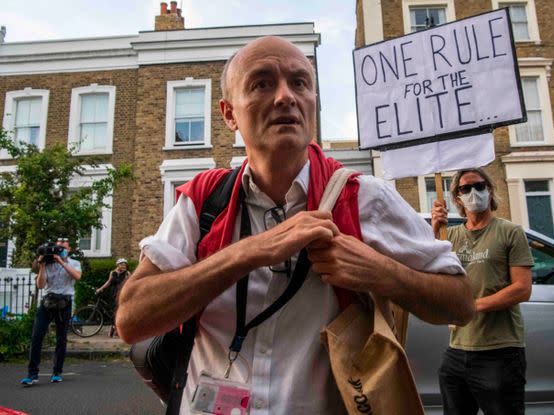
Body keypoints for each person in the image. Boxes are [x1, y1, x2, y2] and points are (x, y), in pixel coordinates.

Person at [117, 36, 475, 414]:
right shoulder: (203, 201)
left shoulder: (365, 197)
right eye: (262, 83)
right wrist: (247, 253)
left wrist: (378, 271)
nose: (286, 96)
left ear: (312, 103)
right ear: (229, 114)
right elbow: (131, 320)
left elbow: (460, 302)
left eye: (300, 83)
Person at [431, 168, 534, 415]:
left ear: (489, 189)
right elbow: (428, 275)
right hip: (457, 350)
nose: (473, 192)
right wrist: (434, 230)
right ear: (457, 198)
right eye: (465, 189)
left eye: (479, 186)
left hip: (499, 352)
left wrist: (473, 306)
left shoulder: (510, 232)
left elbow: (522, 288)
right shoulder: (450, 236)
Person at [20, 238, 82, 386]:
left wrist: (61, 262)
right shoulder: (48, 263)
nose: (59, 250)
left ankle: (57, 372)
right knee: (36, 336)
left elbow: (77, 276)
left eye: (62, 248)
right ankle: (32, 374)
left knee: (61, 339)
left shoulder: (74, 263)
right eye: (57, 247)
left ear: (69, 249)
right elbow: (41, 285)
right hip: (48, 302)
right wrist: (41, 266)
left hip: (65, 303)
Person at [96, 258, 129, 337]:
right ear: (118, 265)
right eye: (122, 264)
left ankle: (115, 329)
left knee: (118, 311)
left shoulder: (127, 273)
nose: (124, 266)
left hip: (121, 294)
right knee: (112, 311)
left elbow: (130, 283)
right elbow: (108, 282)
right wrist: (100, 288)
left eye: (125, 265)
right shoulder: (113, 272)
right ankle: (114, 327)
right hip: (112, 293)